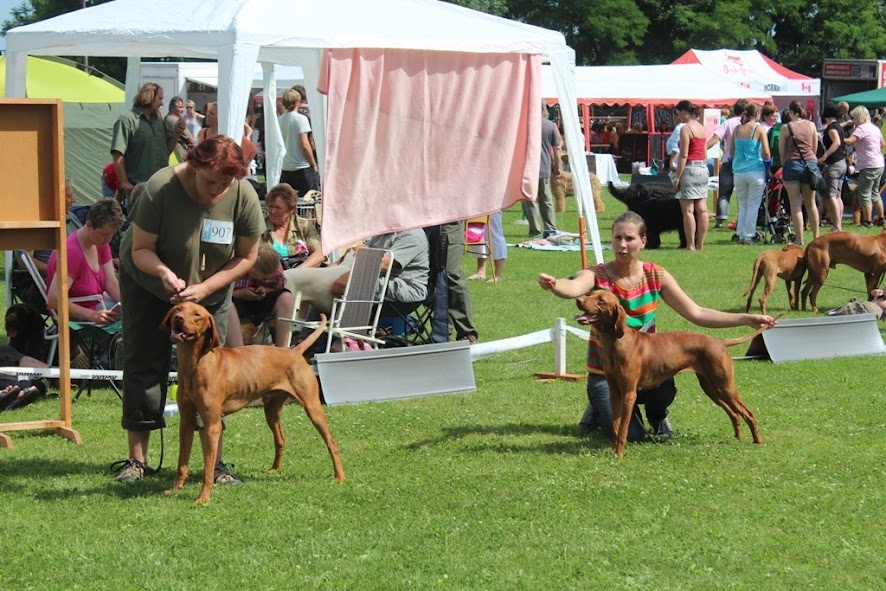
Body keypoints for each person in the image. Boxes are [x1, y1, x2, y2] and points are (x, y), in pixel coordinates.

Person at [537, 211, 776, 442]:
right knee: (633, 436)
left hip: (647, 365)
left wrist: (745, 318)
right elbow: (573, 288)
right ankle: (599, 407)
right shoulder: (596, 274)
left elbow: (697, 312)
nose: (622, 244)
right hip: (604, 373)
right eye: (617, 237)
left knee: (664, 387)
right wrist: (555, 284)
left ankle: (657, 416)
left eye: (629, 238)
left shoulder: (655, 275)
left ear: (643, 241)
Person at [114, 135, 264, 483]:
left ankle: (216, 464)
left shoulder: (243, 195)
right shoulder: (160, 188)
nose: (217, 191)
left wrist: (207, 288)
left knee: (212, 371)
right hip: (150, 284)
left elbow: (247, 256)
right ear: (194, 165)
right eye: (210, 181)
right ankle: (137, 461)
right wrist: (164, 274)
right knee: (144, 361)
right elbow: (140, 250)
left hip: (208, 292)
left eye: (225, 184)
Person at [285, 229, 429, 318]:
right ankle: (306, 338)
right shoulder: (383, 232)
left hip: (405, 290)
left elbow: (383, 264)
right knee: (318, 282)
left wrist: (351, 275)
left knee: (351, 284)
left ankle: (343, 340)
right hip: (376, 278)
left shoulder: (412, 235)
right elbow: (362, 254)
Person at [46, 199, 125, 324]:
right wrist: (92, 315)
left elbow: (111, 283)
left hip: (97, 304)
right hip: (77, 315)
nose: (109, 239)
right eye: (105, 234)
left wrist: (129, 304)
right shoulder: (72, 253)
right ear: (89, 225)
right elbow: (54, 300)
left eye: (112, 234)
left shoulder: (100, 244)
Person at [111, 82, 182, 210]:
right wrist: (124, 182)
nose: (162, 103)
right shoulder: (127, 120)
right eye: (160, 99)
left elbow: (166, 151)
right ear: (149, 98)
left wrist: (176, 132)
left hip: (161, 187)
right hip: (139, 189)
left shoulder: (159, 121)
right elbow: (117, 153)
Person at [231, 243, 295, 347]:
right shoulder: (237, 266)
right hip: (235, 300)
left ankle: (283, 349)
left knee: (286, 298)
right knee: (227, 306)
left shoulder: (276, 270)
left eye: (265, 278)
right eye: (256, 275)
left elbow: (278, 288)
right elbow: (221, 292)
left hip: (262, 300)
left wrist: (265, 289)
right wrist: (240, 293)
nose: (260, 279)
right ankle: (238, 350)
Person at [778, 100, 821, 245]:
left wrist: (785, 164)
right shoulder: (811, 125)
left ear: (791, 112)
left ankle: (799, 240)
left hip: (792, 164)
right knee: (811, 203)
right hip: (810, 164)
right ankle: (816, 238)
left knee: (796, 205)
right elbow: (814, 148)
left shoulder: (786, 128)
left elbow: (782, 151)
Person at [671, 100, 710, 250]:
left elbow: (684, 155)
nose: (678, 117)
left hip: (690, 169)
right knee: (703, 209)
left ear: (684, 112)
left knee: (688, 210)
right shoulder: (702, 128)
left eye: (678, 113)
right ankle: (700, 244)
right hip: (703, 169)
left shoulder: (685, 129)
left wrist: (677, 177)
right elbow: (704, 152)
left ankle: (690, 244)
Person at [731, 102, 771, 245]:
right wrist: (768, 162)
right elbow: (766, 152)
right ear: (757, 114)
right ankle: (748, 235)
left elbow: (731, 151)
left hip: (738, 171)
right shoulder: (759, 129)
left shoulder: (737, 129)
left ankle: (740, 233)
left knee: (743, 205)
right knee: (753, 205)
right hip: (755, 170)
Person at [263, 182, 325, 269]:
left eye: (278, 208)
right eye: (270, 206)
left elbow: (320, 253)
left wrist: (296, 272)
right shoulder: (261, 227)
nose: (273, 211)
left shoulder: (304, 225)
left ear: (291, 209)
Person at [706, 99, 747, 228]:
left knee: (724, 192)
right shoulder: (751, 124)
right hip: (745, 162)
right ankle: (742, 220)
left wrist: (703, 149)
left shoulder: (728, 123)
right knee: (744, 193)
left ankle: (720, 220)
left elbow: (716, 138)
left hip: (728, 161)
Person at [522, 102, 560, 239]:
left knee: (530, 200)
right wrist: (558, 167)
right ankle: (550, 228)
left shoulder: (525, 124)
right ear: (544, 110)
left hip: (527, 168)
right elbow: (557, 149)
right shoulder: (551, 126)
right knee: (546, 201)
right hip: (544, 167)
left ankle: (535, 231)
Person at [843, 105, 886, 227]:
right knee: (875, 193)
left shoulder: (861, 129)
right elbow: (882, 144)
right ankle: (881, 218)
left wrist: (837, 136)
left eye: (853, 118)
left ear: (858, 117)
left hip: (868, 164)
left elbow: (849, 141)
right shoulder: (875, 128)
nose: (852, 120)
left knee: (864, 194)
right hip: (879, 163)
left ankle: (867, 221)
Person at [278, 88, 320, 197]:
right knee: (310, 201)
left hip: (286, 167)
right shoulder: (300, 119)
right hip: (301, 167)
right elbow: (305, 145)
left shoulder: (280, 120)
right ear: (297, 102)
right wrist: (313, 164)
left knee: (289, 201)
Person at [197, 102, 258, 168]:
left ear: (220, 117)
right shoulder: (202, 132)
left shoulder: (229, 134)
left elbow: (252, 150)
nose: (207, 115)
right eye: (208, 112)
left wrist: (241, 166)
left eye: (211, 113)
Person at [817, 102, 848, 232]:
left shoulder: (831, 128)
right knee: (837, 195)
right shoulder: (839, 126)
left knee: (831, 195)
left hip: (834, 164)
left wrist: (824, 156)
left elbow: (836, 142)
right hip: (842, 163)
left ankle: (837, 226)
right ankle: (838, 223)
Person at [467, 211, 506, 283]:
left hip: (493, 206)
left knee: (494, 233)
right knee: (477, 231)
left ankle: (498, 275)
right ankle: (480, 272)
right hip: (475, 205)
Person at [165, 96, 195, 161]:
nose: (182, 110)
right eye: (180, 107)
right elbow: (191, 140)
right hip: (179, 153)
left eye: (183, 107)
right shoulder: (175, 120)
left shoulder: (167, 118)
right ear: (172, 108)